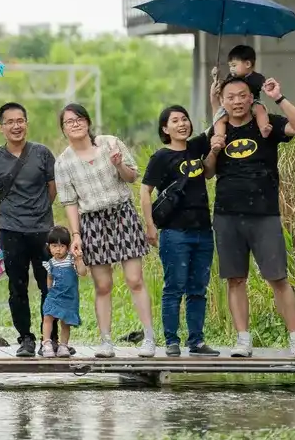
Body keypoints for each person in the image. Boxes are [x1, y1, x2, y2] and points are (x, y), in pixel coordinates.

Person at [204, 75, 295, 358]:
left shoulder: (267, 124)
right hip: (227, 215)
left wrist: (278, 97)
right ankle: (243, 339)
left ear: (251, 98)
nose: (237, 101)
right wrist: (214, 149)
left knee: (278, 278)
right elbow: (208, 173)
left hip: (264, 214)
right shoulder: (217, 130)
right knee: (235, 279)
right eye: (230, 97)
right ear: (222, 101)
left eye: (242, 96)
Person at [54, 103, 156, 359]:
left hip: (122, 214)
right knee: (103, 285)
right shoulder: (63, 162)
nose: (75, 124)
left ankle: (149, 338)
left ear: (88, 121)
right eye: (69, 122)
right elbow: (70, 202)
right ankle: (106, 341)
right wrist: (76, 235)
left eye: (79, 119)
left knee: (135, 279)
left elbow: (132, 177)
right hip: (92, 221)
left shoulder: (110, 143)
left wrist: (119, 164)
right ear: (63, 129)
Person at [139, 105, 219, 357]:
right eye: (175, 121)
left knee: (198, 289)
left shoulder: (196, 147)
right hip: (174, 233)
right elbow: (145, 191)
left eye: (184, 119)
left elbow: (219, 121)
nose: (182, 124)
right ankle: (171, 341)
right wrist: (150, 226)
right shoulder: (160, 157)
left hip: (203, 230)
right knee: (174, 287)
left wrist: (214, 97)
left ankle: (196, 341)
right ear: (165, 129)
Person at [0, 101, 57, 358]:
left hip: (43, 230)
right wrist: (2, 223)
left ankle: (51, 338)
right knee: (17, 286)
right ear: (1, 127)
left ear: (27, 123)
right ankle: (25, 338)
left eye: (20, 121)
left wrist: (40, 211)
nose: (16, 126)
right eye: (10, 122)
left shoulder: (42, 153)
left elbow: (52, 188)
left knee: (49, 284)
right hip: (11, 231)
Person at [211, 44, 272, 138]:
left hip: (253, 102)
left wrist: (268, 87)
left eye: (234, 65)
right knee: (220, 116)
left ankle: (264, 128)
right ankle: (219, 136)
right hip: (232, 106)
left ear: (247, 64)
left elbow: (264, 86)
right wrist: (215, 77)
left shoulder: (257, 78)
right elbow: (224, 88)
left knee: (259, 109)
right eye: (230, 66)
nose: (231, 69)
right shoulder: (230, 77)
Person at [40, 226, 82, 358]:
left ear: (68, 247)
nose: (58, 249)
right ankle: (46, 343)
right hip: (54, 295)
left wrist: (79, 260)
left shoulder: (71, 260)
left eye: (62, 246)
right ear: (49, 247)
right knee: (48, 316)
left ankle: (63, 345)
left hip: (69, 297)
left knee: (65, 322)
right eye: (54, 246)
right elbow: (49, 277)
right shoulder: (50, 263)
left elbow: (83, 272)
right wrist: (49, 290)